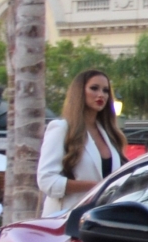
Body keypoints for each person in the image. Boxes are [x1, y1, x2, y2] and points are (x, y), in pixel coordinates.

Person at [38, 67, 126, 215]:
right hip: (66, 218)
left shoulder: (109, 134)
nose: (101, 95)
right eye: (94, 88)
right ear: (79, 92)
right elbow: (47, 181)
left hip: (102, 219)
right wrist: (97, 186)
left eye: (105, 90)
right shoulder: (61, 128)